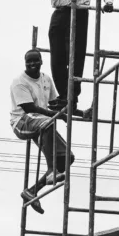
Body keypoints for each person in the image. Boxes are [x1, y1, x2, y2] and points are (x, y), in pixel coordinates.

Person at [41, 0, 114, 113]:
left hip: (80, 13)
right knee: (57, 57)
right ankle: (65, 95)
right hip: (60, 13)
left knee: (76, 56)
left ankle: (72, 97)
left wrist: (109, 1)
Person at [9, 49, 75, 213]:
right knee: (48, 122)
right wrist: (55, 116)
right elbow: (29, 107)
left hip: (42, 123)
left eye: (35, 61)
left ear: (41, 61)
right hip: (22, 122)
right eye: (28, 62)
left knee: (67, 158)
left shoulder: (46, 79)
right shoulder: (19, 82)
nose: (32, 64)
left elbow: (55, 105)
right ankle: (52, 171)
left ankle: (31, 191)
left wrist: (79, 112)